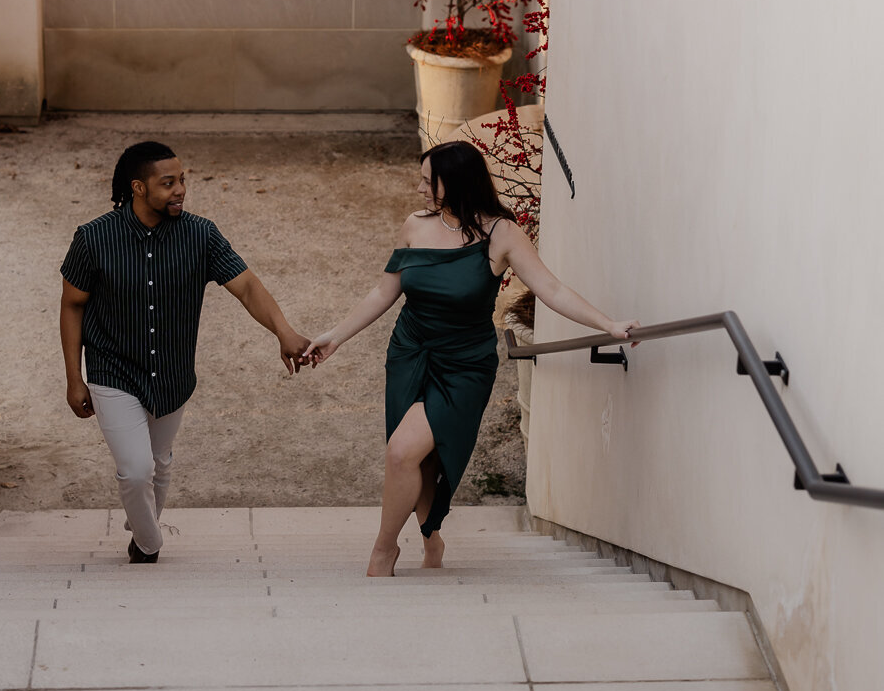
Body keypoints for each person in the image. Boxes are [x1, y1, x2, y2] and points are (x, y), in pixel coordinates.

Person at [303, 140, 639, 576]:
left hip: (464, 364)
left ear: (457, 182)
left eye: (429, 181)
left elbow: (551, 289)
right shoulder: (414, 225)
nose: (420, 188)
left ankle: (384, 550)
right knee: (416, 457)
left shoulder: (502, 234)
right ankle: (431, 539)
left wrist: (608, 325)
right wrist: (336, 337)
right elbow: (385, 291)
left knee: (403, 452)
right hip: (410, 351)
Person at [60, 141, 309, 562]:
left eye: (182, 181)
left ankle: (141, 531)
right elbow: (72, 304)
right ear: (138, 188)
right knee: (137, 470)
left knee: (158, 466)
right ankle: (150, 544)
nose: (180, 190)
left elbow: (246, 285)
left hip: (172, 373)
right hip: (112, 369)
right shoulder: (93, 238)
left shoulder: (201, 234)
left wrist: (284, 332)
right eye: (168, 183)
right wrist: (73, 377)